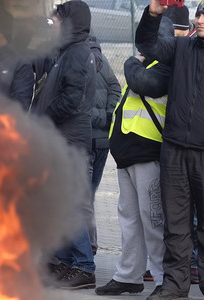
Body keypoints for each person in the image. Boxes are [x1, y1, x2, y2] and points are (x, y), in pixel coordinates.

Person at [136, 0, 204, 300]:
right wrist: (153, 13)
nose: (198, 20)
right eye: (197, 15)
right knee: (176, 222)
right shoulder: (181, 48)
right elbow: (147, 43)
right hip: (174, 149)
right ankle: (174, 285)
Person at [95, 54, 169, 297]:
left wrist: (130, 62)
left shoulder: (161, 68)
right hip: (128, 154)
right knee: (129, 218)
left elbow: (140, 85)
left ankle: (162, 279)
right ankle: (128, 276)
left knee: (152, 220)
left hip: (148, 152)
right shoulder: (144, 66)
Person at [36, 0, 98, 290]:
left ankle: (84, 266)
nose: (54, 22)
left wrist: (43, 115)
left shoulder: (76, 54)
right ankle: (63, 262)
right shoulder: (66, 52)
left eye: (58, 18)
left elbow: (72, 99)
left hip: (70, 142)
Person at [87, 35, 121, 255]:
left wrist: (98, 116)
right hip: (103, 142)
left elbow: (77, 105)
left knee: (83, 197)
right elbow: (116, 89)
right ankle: (90, 245)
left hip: (86, 139)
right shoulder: (104, 60)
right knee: (89, 195)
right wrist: (109, 115)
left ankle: (88, 247)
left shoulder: (79, 60)